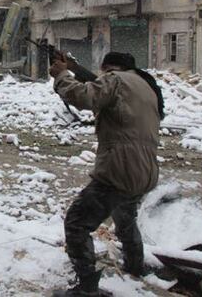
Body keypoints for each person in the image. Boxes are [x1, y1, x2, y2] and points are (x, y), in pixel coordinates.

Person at [49, 52, 164, 297]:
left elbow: (84, 96)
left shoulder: (115, 80)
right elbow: (99, 87)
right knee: (125, 218)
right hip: (144, 172)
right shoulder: (144, 85)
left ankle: (86, 289)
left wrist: (61, 75)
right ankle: (135, 267)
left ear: (109, 68)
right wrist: (75, 68)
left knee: (77, 223)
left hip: (119, 170)